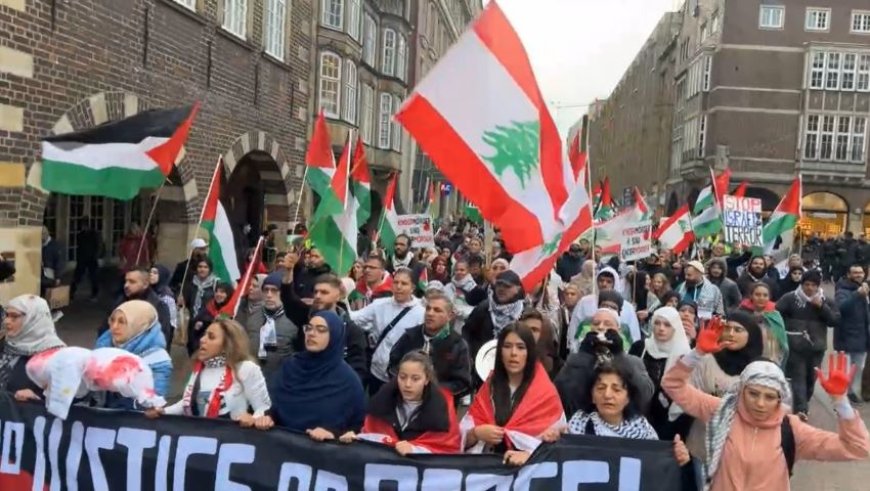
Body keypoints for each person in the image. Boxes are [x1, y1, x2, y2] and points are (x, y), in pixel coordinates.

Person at [663, 322, 870, 491]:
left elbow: (858, 448)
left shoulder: (791, 429)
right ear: (741, 390)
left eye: (770, 397)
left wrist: (841, 402)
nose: (760, 403)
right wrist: (696, 353)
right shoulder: (723, 409)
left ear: (780, 399)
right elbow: (672, 385)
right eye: (753, 394)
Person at [460, 324, 565, 466]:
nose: (513, 353)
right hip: (489, 469)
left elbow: (558, 443)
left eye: (520, 347)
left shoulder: (546, 393)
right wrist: (476, 433)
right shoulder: (489, 388)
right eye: (507, 346)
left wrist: (529, 454)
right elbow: (459, 436)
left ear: (530, 352)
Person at [559, 361, 690, 470]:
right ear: (592, 396)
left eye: (616, 390)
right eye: (600, 388)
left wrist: (676, 458)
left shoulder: (642, 429)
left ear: (628, 398)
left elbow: (656, 468)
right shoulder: (580, 423)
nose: (607, 395)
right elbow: (561, 460)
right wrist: (553, 441)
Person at [146, 318, 272, 428]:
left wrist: (253, 419)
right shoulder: (199, 369)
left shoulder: (246, 369)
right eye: (204, 335)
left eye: (211, 337)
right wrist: (163, 411)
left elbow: (263, 408)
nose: (202, 340)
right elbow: (186, 403)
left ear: (227, 344)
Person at [269, 310, 366, 441]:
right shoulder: (290, 367)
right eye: (308, 328)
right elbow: (276, 408)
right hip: (281, 449)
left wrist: (333, 434)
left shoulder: (348, 381)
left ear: (334, 335)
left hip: (324, 456)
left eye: (321, 330)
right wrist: (268, 417)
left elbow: (356, 427)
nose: (311, 334)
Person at [340, 351, 461, 454]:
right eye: (402, 377)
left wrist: (415, 450)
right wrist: (357, 439)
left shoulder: (442, 409)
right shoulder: (381, 402)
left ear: (427, 379)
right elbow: (371, 435)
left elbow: (447, 450)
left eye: (415, 379)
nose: (407, 384)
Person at [555, 308, 654, 417]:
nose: (601, 327)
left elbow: (645, 394)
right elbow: (562, 392)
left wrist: (619, 355)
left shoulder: (633, 362)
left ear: (618, 330)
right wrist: (584, 354)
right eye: (596, 323)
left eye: (608, 324)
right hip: (583, 422)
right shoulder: (576, 361)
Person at [278, 264, 368, 381]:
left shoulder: (352, 331)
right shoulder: (307, 316)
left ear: (338, 296)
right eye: (316, 292)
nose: (318, 296)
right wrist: (288, 276)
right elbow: (289, 301)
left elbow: (358, 370)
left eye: (324, 292)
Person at [776, 269, 840, 418]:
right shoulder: (790, 298)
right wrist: (788, 331)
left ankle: (804, 403)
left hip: (816, 348)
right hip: (796, 347)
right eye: (806, 284)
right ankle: (801, 410)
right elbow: (777, 315)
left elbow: (834, 321)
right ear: (802, 284)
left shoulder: (826, 301)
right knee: (798, 378)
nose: (809, 288)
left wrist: (822, 308)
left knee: (811, 379)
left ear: (818, 286)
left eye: (813, 285)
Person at [351, 268, 425, 395]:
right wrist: (339, 301)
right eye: (396, 283)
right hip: (377, 372)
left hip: (402, 377)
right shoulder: (379, 305)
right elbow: (355, 319)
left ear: (412, 287)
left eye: (404, 283)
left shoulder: (421, 313)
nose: (399, 287)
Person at [388, 292, 472, 400]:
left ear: (450, 316)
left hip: (439, 406)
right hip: (404, 401)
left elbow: (463, 382)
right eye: (428, 309)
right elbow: (392, 366)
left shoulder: (458, 344)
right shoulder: (410, 336)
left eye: (437, 310)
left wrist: (430, 391)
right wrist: (405, 383)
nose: (430, 313)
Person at [94, 300, 172, 409]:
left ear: (139, 325)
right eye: (112, 320)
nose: (114, 326)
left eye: (122, 322)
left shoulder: (157, 360)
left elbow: (153, 404)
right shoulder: (104, 348)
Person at [0, 295, 65, 396]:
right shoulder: (5, 344)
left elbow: (71, 393)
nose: (6, 321)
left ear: (34, 319)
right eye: (7, 315)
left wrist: (39, 397)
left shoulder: (55, 356)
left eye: (14, 316)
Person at [463, 270, 527, 370]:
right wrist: (473, 355)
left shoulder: (524, 313)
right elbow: (467, 332)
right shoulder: (484, 308)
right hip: (482, 366)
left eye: (507, 286)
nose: (501, 289)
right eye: (499, 285)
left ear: (517, 289)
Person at [243, 275, 298, 380]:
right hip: (254, 377)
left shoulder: (293, 318)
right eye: (266, 290)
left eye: (274, 291)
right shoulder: (253, 314)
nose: (269, 295)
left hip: (283, 379)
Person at [100, 268, 172, 346]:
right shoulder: (119, 302)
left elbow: (162, 338)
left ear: (145, 284)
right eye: (126, 281)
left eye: (132, 282)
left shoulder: (158, 306)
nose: (126, 285)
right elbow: (104, 329)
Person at [834, 263, 870, 403]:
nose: (858, 275)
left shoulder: (865, 289)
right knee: (845, 368)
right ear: (849, 275)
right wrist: (857, 295)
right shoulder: (842, 290)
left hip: (862, 336)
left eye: (860, 272)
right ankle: (843, 393)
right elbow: (841, 308)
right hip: (846, 337)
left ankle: (852, 392)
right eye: (855, 273)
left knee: (858, 368)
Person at [739, 282, 788, 367]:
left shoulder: (775, 316)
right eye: (757, 295)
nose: (761, 298)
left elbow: (782, 341)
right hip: (747, 360)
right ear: (751, 296)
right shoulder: (742, 315)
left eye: (765, 295)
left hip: (771, 360)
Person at [188, 282, 235, 357]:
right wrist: (199, 326)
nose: (218, 294)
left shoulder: (233, 312)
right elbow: (195, 324)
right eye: (217, 291)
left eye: (222, 292)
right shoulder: (209, 306)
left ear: (229, 294)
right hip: (203, 350)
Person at [70, 216, 102, 301]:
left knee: (94, 277)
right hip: (82, 258)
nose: (83, 227)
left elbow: (98, 246)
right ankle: (71, 293)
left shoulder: (94, 234)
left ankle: (94, 294)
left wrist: (96, 255)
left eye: (84, 225)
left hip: (92, 258)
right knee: (77, 276)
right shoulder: (80, 235)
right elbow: (79, 247)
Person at [40, 225, 64, 298]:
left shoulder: (55, 246)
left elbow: (59, 262)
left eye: (42, 235)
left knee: (51, 296)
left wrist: (58, 277)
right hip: (41, 275)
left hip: (51, 276)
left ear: (46, 234)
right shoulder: (40, 244)